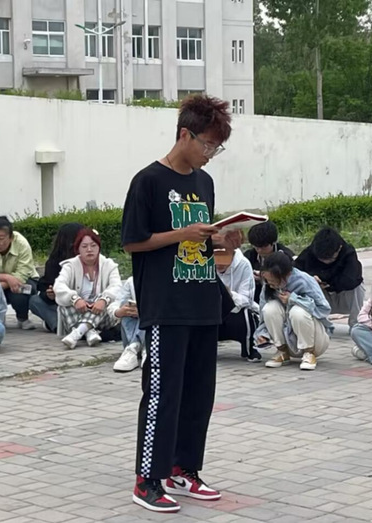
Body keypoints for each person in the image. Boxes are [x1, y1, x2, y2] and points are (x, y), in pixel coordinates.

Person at [121, 95, 231, 513]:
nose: (210, 153)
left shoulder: (205, 183)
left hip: (203, 299)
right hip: (166, 305)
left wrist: (223, 238)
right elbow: (133, 241)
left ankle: (185, 469)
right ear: (185, 134)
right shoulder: (148, 181)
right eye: (208, 144)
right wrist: (181, 234)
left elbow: (201, 242)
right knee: (162, 394)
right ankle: (148, 479)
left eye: (217, 147)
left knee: (199, 394)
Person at [256, 252, 333, 371]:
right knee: (269, 308)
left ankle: (309, 353)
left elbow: (324, 309)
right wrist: (262, 334)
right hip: (288, 341)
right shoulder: (268, 285)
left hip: (315, 341)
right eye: (267, 280)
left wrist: (294, 299)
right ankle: (282, 351)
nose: (270, 284)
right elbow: (262, 313)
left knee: (297, 311)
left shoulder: (304, 280)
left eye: (273, 280)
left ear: (287, 274)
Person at [55, 228, 122, 349]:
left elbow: (117, 286)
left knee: (102, 299)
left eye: (93, 245)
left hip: (102, 316)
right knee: (64, 303)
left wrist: (103, 300)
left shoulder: (109, 265)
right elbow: (59, 285)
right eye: (84, 246)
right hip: (78, 312)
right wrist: (75, 299)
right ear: (78, 249)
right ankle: (89, 331)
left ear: (99, 247)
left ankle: (78, 332)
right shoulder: (70, 265)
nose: (89, 249)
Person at [0, 216, 39, 330]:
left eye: (1, 238)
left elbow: (23, 272)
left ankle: (22, 318)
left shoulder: (21, 243)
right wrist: (7, 278)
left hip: (23, 280)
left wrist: (4, 284)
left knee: (20, 291)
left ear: (11, 238)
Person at [294, 227, 365, 328]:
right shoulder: (309, 252)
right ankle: (317, 325)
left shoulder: (348, 253)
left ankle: (356, 325)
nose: (325, 262)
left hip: (343, 297)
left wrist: (328, 283)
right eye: (321, 259)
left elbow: (352, 279)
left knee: (358, 285)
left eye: (330, 258)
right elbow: (294, 273)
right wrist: (310, 280)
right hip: (320, 298)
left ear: (339, 248)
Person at [29, 223, 85, 333]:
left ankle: (65, 325)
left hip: (85, 304)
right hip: (61, 306)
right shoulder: (54, 263)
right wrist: (49, 295)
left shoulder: (88, 260)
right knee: (34, 301)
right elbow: (45, 287)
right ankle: (60, 325)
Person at [216, 240, 261, 362]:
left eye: (224, 261)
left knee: (247, 315)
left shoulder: (244, 264)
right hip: (213, 311)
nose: (219, 265)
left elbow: (247, 299)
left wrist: (229, 294)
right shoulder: (204, 264)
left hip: (237, 312)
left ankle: (250, 348)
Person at [244, 221, 294, 303]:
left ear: (274, 242)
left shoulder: (286, 257)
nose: (259, 250)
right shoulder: (249, 256)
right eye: (256, 247)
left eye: (264, 246)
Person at [111, 277, 145, 372]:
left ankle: (146, 349)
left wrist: (144, 312)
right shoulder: (131, 281)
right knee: (126, 306)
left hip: (155, 332)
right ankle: (133, 347)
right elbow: (114, 305)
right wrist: (119, 312)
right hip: (130, 332)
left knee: (148, 311)